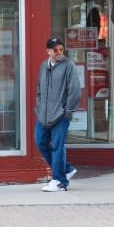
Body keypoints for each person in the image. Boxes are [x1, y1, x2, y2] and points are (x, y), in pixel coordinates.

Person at [35, 36, 81, 192]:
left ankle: (60, 181)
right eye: (56, 50)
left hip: (60, 115)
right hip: (43, 115)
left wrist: (67, 112)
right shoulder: (43, 66)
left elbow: (74, 90)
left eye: (61, 49)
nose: (59, 52)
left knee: (57, 146)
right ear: (48, 51)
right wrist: (39, 107)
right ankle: (66, 169)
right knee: (40, 142)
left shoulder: (69, 66)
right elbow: (39, 90)